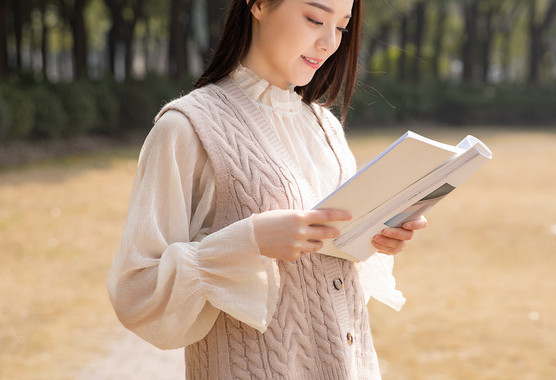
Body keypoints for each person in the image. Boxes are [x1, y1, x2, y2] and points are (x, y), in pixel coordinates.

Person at [107, 0, 428, 378]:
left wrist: (380, 233)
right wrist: (250, 240)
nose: (329, 43)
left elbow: (330, 265)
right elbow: (137, 293)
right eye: (314, 18)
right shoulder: (186, 128)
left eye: (341, 27)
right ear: (258, 4)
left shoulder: (323, 127)